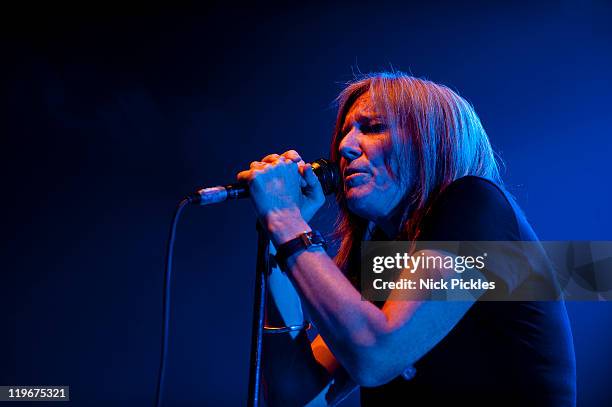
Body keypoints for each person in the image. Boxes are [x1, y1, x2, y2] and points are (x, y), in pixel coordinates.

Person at [237, 72, 576, 406]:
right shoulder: (387, 258)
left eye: (372, 128)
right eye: (344, 133)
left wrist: (287, 222)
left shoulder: (475, 204)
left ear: (430, 140)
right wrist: (276, 239)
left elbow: (376, 354)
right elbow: (293, 397)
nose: (345, 147)